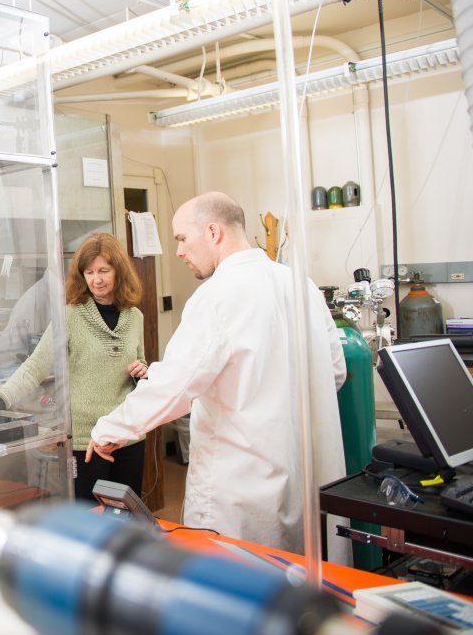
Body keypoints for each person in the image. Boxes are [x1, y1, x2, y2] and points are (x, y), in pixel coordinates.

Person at [87, 192, 346, 554]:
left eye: (181, 239)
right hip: (308, 479)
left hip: (241, 491)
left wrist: (110, 429)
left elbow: (175, 385)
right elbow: (334, 371)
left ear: (212, 232)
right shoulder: (301, 285)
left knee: (237, 590)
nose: (178, 252)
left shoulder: (218, 296)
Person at [0, 233, 149, 501]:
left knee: (126, 519)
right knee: (90, 522)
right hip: (87, 440)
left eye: (104, 271)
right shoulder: (70, 316)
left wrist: (141, 372)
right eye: (89, 272)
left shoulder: (135, 317)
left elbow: (139, 364)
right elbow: (35, 366)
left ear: (119, 271)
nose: (96, 279)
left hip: (128, 435)